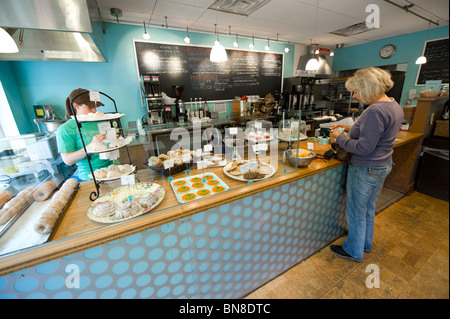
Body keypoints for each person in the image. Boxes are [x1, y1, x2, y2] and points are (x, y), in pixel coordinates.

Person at [329, 67, 404, 262]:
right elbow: (375, 133)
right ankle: (365, 243)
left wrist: (339, 138)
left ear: (368, 88)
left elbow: (364, 147)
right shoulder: (393, 105)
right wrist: (348, 128)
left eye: (356, 91)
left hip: (365, 167)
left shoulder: (375, 110)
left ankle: (354, 250)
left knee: (356, 211)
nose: (354, 96)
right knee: (369, 207)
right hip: (383, 165)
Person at [56, 88, 113, 181]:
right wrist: (90, 147)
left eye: (95, 106)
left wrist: (114, 138)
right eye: (90, 107)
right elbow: (68, 160)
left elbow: (109, 144)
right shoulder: (66, 129)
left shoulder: (100, 120)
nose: (94, 110)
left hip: (114, 170)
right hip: (91, 177)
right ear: (76, 106)